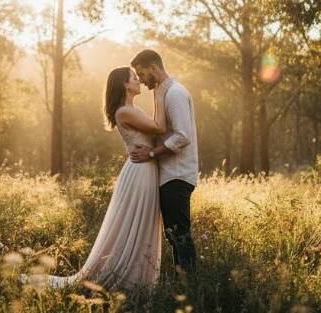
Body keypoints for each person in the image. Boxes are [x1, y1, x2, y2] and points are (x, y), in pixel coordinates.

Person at [24, 66, 165, 291]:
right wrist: (160, 92)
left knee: (141, 222)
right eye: (135, 78)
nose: (139, 81)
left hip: (145, 169)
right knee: (133, 223)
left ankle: (139, 278)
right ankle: (126, 278)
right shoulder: (124, 111)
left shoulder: (132, 109)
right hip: (140, 171)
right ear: (124, 85)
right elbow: (160, 127)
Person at [128, 49, 199, 275]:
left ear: (153, 68)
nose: (140, 79)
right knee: (174, 234)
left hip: (178, 174)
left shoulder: (174, 94)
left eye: (142, 73)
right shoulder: (161, 92)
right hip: (169, 174)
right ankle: (184, 281)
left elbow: (183, 136)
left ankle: (190, 285)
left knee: (179, 234)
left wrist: (151, 153)